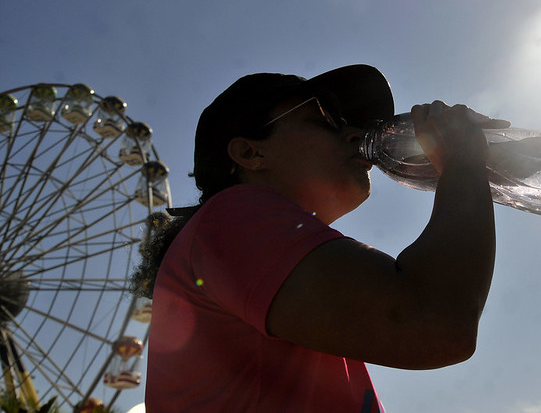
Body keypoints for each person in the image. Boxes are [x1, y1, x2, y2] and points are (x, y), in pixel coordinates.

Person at [133, 64, 501, 412]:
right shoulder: (229, 218)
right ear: (251, 152)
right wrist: (463, 163)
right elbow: (435, 322)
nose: (355, 134)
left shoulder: (240, 247)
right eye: (325, 119)